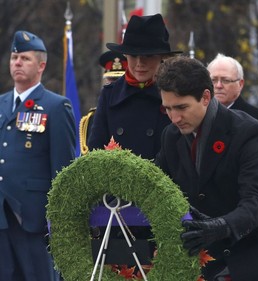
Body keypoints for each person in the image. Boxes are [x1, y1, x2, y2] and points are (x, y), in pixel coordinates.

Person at [155, 56, 258, 281]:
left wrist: (219, 227)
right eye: (168, 109)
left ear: (206, 97)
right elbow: (158, 186)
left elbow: (257, 202)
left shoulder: (248, 132)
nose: (174, 118)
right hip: (225, 256)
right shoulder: (171, 136)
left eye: (182, 107)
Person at [87, 13, 181, 273]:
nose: (140, 63)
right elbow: (95, 152)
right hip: (117, 208)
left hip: (161, 207)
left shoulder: (174, 97)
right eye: (133, 55)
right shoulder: (109, 96)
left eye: (148, 56)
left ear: (161, 58)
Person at [0, 31, 76, 280]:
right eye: (14, 57)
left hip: (34, 218)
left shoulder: (56, 106)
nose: (17, 63)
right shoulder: (0, 105)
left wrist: (61, 219)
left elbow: (64, 170)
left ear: (41, 65)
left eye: (24, 58)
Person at [207, 53, 258, 179]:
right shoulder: (198, 117)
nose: (218, 85)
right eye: (213, 80)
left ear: (241, 84)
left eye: (225, 80)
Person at [79, 50, 127, 155]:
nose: (115, 84)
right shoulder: (93, 118)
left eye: (119, 79)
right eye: (112, 79)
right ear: (105, 81)